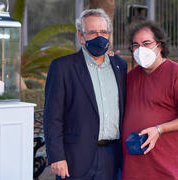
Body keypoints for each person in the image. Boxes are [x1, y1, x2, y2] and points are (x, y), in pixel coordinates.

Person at [44, 9, 127, 180]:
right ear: (81, 37)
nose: (99, 36)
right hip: (75, 158)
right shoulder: (62, 67)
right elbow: (52, 117)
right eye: (92, 32)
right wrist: (57, 156)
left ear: (110, 35)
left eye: (103, 32)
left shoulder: (120, 66)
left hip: (112, 157)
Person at [122, 20, 178, 180]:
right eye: (136, 45)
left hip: (167, 170)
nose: (140, 50)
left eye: (146, 43)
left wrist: (159, 129)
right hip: (135, 168)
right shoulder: (131, 77)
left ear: (159, 45)